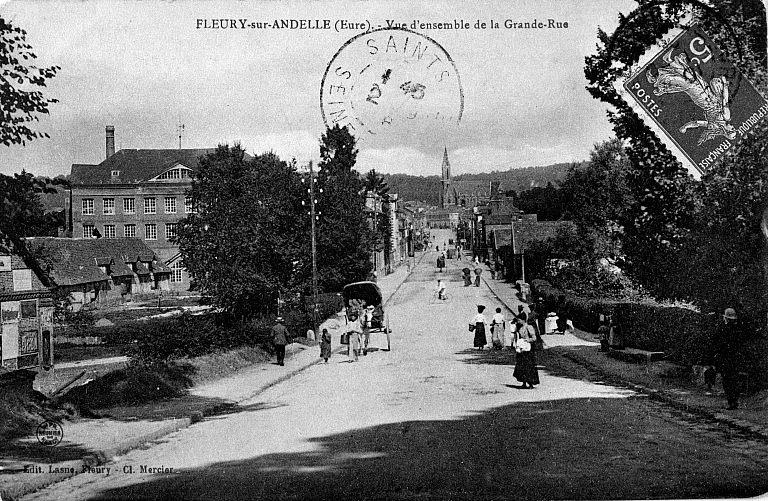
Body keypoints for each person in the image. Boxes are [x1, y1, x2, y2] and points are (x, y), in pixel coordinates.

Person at [706, 307, 746, 410]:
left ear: (726, 318)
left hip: (726, 359)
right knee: (734, 380)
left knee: (727, 380)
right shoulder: (739, 329)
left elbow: (717, 344)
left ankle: (731, 402)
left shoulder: (723, 329)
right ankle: (735, 401)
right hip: (736, 358)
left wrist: (715, 356)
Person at [513, 313, 540, 388]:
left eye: (519, 320)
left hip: (528, 349)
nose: (518, 321)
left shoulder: (529, 327)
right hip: (522, 348)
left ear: (523, 320)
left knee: (529, 366)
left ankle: (530, 383)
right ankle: (524, 382)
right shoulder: (520, 327)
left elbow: (534, 338)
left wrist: (528, 340)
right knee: (521, 365)